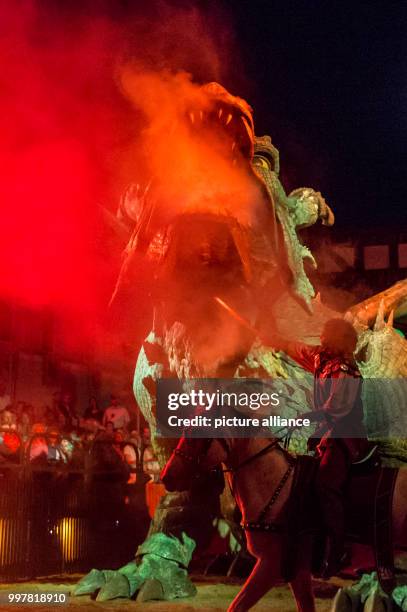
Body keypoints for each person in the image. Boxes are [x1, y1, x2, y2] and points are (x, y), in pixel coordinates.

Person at [268, 317, 369, 578]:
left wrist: (306, 417)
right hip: (328, 434)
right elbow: (296, 348)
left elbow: (336, 409)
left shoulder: (345, 369)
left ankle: (338, 551)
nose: (321, 336)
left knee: (325, 483)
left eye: (326, 333)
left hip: (346, 436)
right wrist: (273, 338)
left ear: (337, 338)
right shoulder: (321, 358)